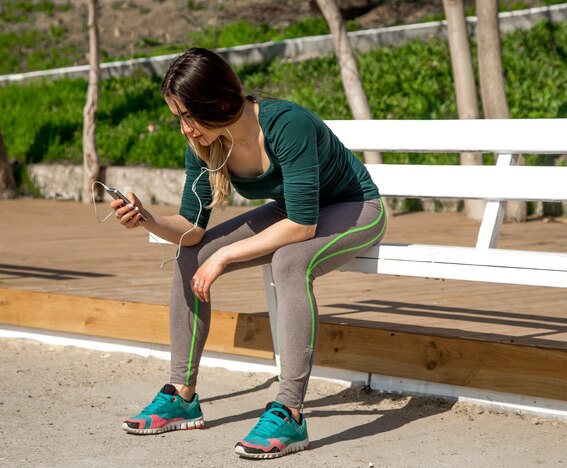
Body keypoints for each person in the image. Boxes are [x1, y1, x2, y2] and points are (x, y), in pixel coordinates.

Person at [110, 47, 386, 459]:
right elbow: (191, 228)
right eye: (178, 118)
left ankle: (290, 412)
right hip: (294, 210)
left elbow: (303, 227)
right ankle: (182, 394)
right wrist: (147, 219)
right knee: (192, 254)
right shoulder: (205, 143)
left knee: (289, 262)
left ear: (218, 102)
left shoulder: (284, 124)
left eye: (190, 115)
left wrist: (225, 256)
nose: (185, 128)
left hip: (356, 208)